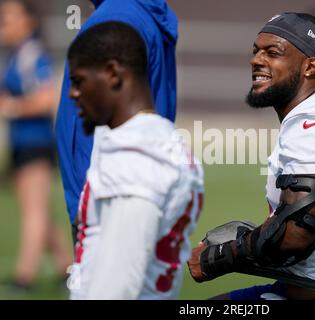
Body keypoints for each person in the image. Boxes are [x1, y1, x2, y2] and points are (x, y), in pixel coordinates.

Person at [187, 12, 315, 300]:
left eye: (273, 52)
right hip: (299, 288)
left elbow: (298, 232)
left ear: (309, 66)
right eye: (256, 51)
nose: (256, 60)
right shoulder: (308, 117)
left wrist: (220, 257)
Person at [66, 21, 203, 299]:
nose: (73, 94)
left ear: (113, 74)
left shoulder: (136, 157)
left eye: (79, 81)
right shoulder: (163, 141)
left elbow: (118, 286)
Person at [55, 0, 178, 233]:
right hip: (125, 190)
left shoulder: (116, 17)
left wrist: (91, 203)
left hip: (108, 201)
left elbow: (97, 113)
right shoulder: (134, 12)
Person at [0, 0, 71, 292]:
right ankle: (66, 267)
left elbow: (46, 98)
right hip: (19, 144)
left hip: (36, 144)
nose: (3, 23)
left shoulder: (33, 55)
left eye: (8, 17)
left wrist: (12, 107)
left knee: (33, 212)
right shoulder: (13, 56)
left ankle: (24, 276)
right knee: (38, 210)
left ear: (29, 22)